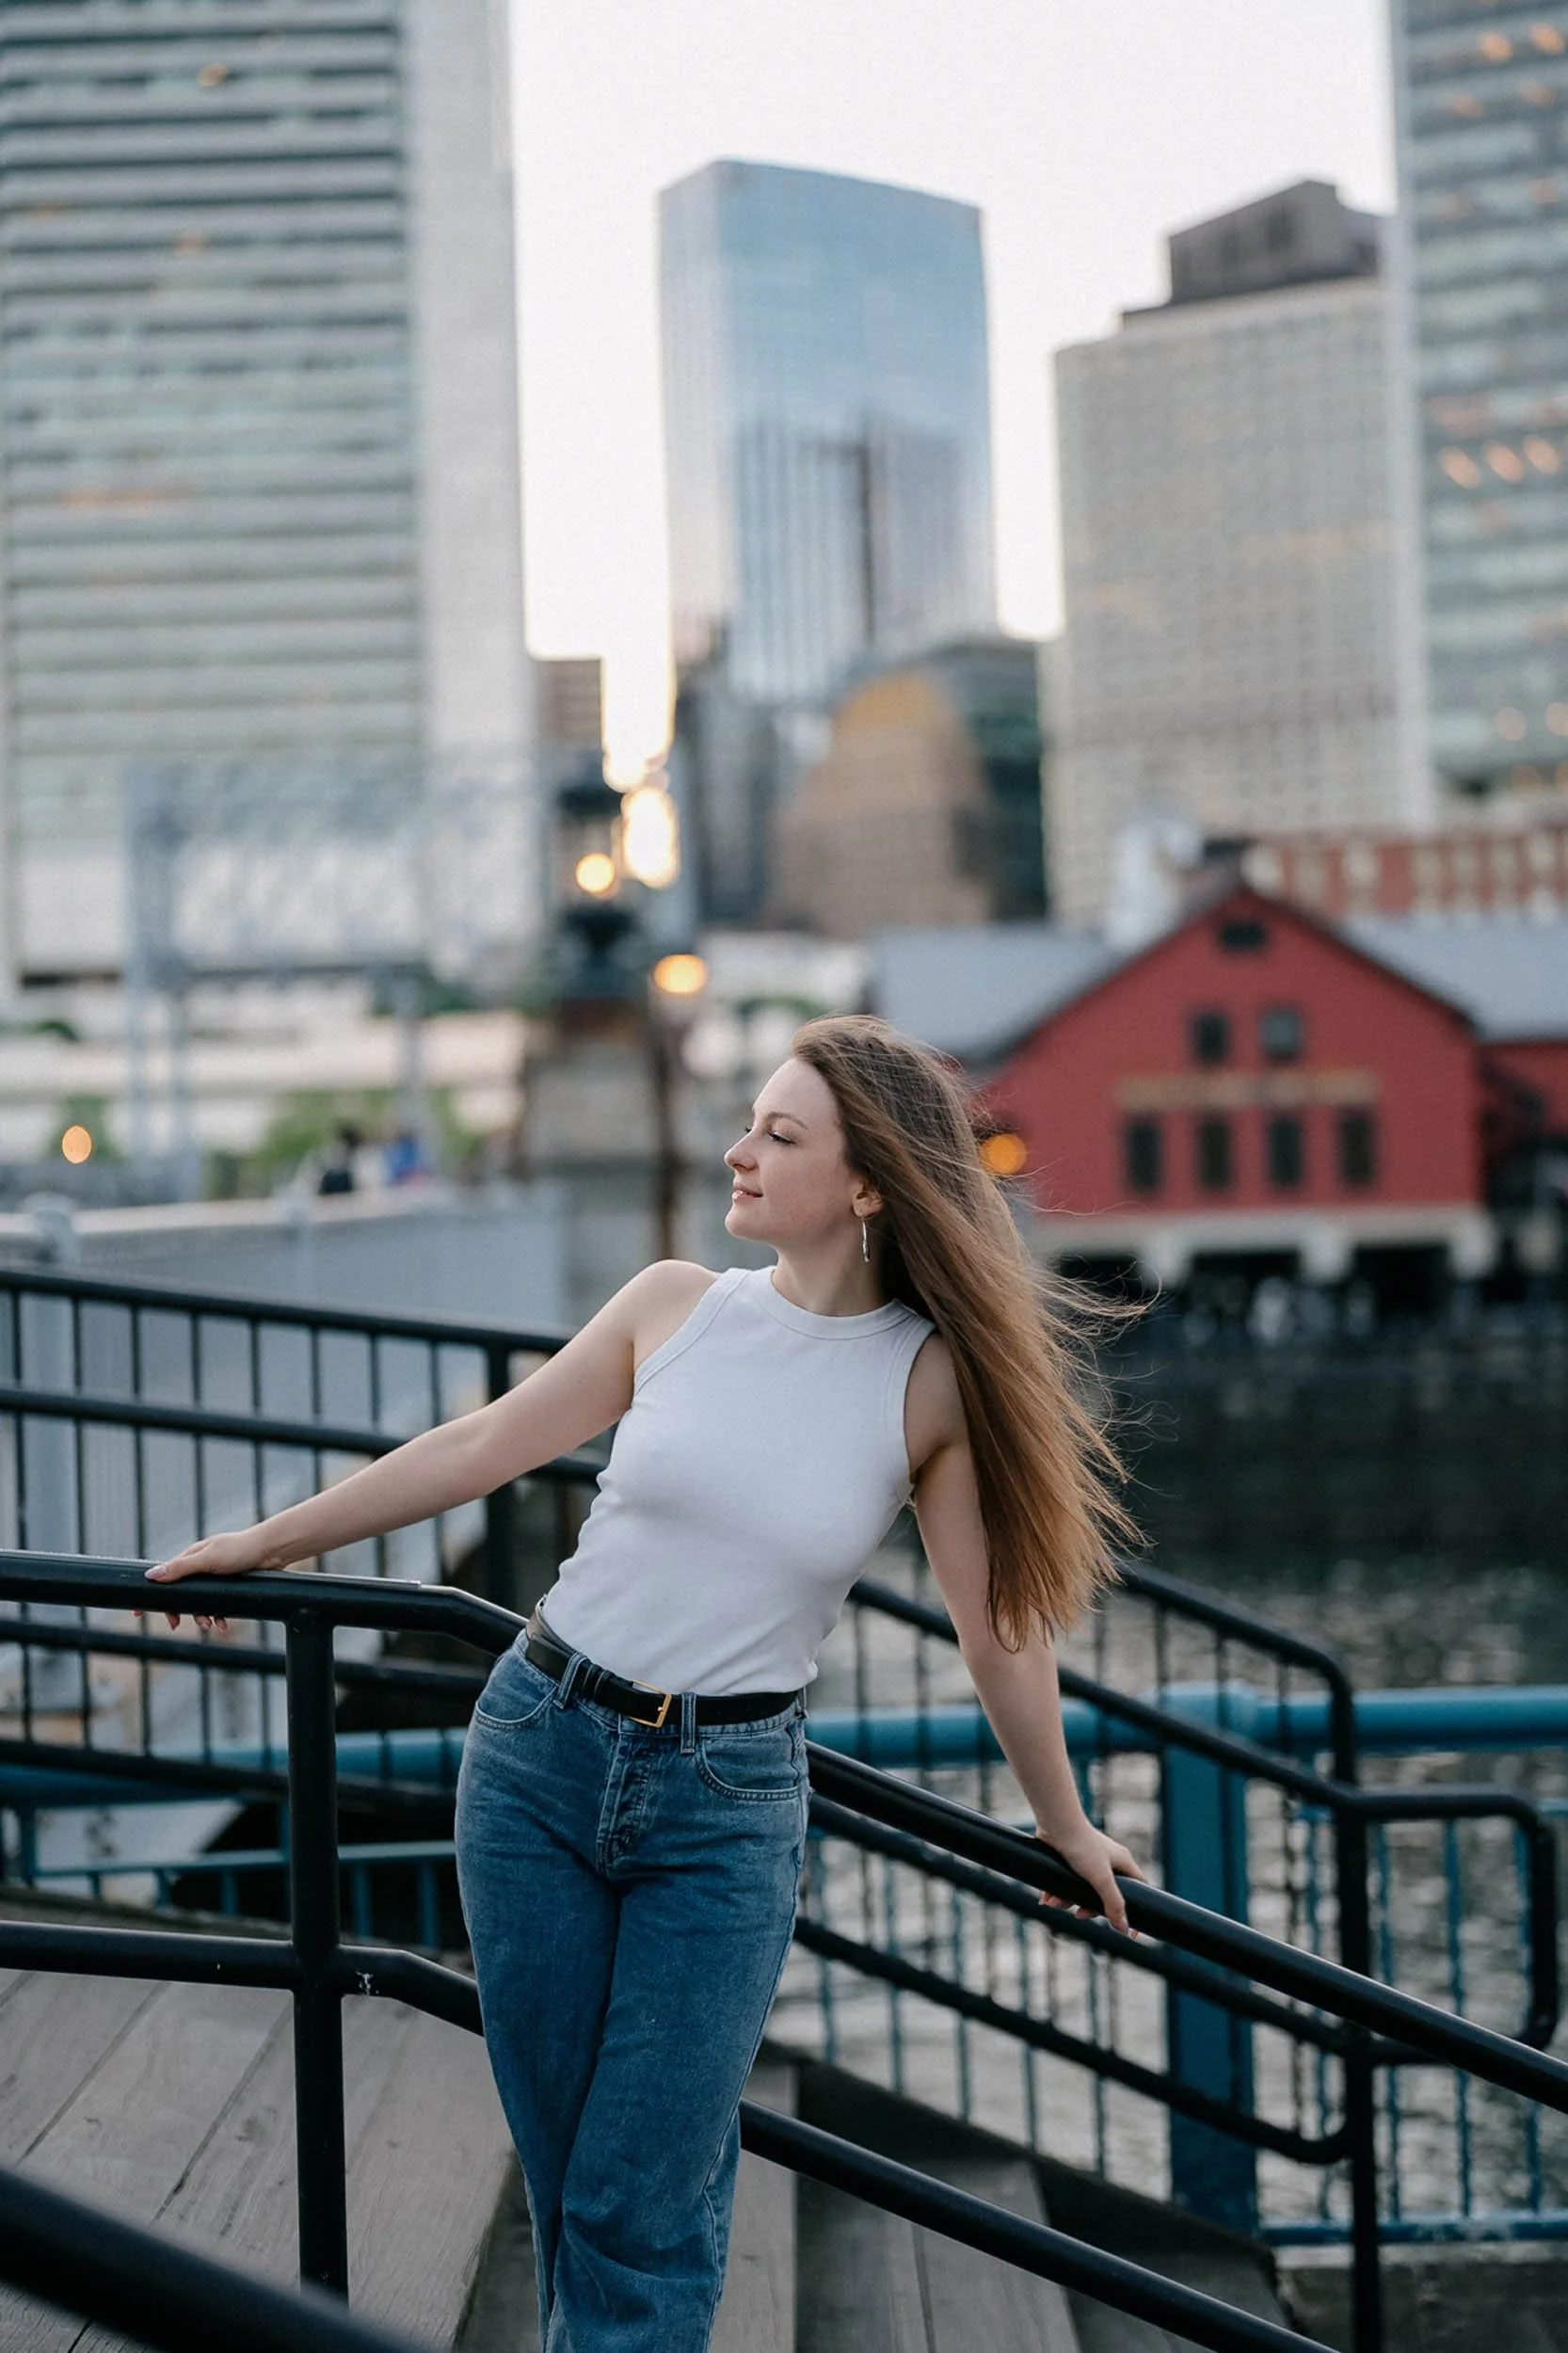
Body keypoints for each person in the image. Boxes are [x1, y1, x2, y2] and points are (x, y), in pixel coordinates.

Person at [148, 1014, 1144, 2353]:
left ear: (865, 1184)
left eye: (777, 1136)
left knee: (643, 2202)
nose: (735, 1152)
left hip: (723, 1812)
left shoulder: (928, 1383)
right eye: (748, 1122)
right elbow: (483, 1445)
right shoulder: (675, 1303)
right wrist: (268, 1543)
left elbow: (997, 1633)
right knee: (573, 2183)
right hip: (535, 1753)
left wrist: (1064, 1823)